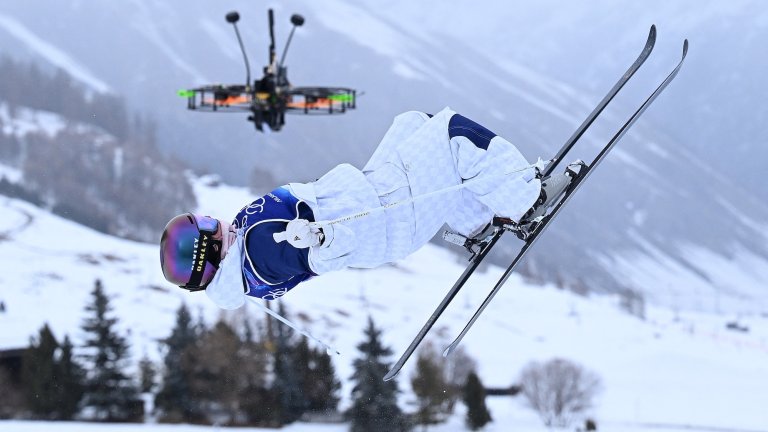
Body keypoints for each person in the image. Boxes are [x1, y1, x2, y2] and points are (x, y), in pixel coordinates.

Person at [160, 107, 561, 310]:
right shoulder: (261, 252)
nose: (218, 222)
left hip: (373, 193)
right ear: (211, 254)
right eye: (209, 229)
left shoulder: (247, 245)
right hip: (391, 216)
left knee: (413, 121)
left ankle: (477, 222)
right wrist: (321, 237)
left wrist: (319, 230)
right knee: (452, 131)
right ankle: (526, 201)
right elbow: (323, 258)